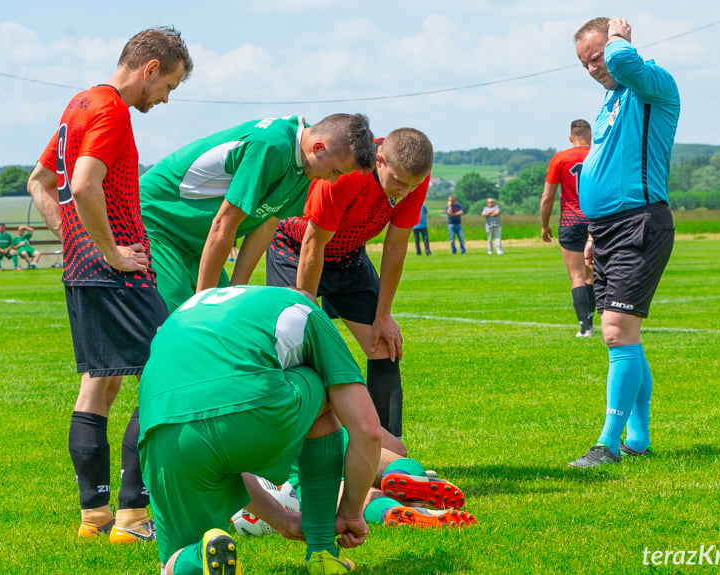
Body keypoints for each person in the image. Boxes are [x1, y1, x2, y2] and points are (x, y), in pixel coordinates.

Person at [26, 26, 193, 541]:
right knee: (170, 372)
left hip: (79, 268)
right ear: (150, 68)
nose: (165, 98)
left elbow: (40, 182)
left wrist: (71, 232)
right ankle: (133, 513)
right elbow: (81, 182)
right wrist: (113, 252)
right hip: (115, 270)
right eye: (169, 86)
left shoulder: (77, 105)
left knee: (99, 385)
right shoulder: (112, 110)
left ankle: (94, 518)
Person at [137, 285, 383, 575]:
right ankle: (323, 552)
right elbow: (368, 431)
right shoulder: (305, 310)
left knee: (174, 559)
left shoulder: (198, 305)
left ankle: (197, 557)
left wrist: (284, 521)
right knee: (323, 381)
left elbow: (222, 451)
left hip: (163, 431)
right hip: (252, 414)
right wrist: (351, 513)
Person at [266, 128, 434, 439]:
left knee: (385, 345)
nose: (405, 192)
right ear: (379, 161)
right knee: (296, 351)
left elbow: (396, 246)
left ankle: (385, 454)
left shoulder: (411, 180)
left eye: (414, 185)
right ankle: (292, 452)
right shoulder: (347, 174)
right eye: (398, 182)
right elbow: (313, 245)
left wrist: (383, 315)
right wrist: (305, 312)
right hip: (296, 249)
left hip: (347, 254)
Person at [568, 17, 679, 468]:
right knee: (626, 335)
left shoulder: (652, 84)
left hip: (641, 223)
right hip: (610, 230)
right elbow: (606, 164)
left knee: (616, 332)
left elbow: (622, 61)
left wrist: (617, 39)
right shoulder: (611, 101)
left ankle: (607, 445)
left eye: (597, 57)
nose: (594, 67)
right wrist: (594, 231)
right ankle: (638, 438)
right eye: (584, 63)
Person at [139, 114, 375, 313]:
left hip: (194, 241)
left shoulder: (305, 166)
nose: (332, 180)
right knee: (180, 320)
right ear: (318, 148)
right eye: (334, 170)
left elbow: (265, 224)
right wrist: (204, 304)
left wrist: (233, 293)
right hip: (158, 224)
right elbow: (224, 223)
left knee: (222, 315)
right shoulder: (272, 146)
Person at [234, 429, 476, 536]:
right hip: (329, 432)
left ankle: (391, 510)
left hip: (290, 469)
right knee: (391, 458)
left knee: (349, 496)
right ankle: (401, 474)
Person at [541, 119, 596, 337]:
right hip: (597, 221)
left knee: (576, 276)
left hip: (571, 222)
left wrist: (545, 225)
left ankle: (585, 327)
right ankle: (594, 321)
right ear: (590, 135)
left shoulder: (560, 158)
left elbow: (547, 197)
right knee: (593, 275)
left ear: (570, 137)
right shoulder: (598, 154)